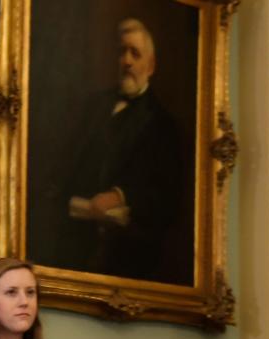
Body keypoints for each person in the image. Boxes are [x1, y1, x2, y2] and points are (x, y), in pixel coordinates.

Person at [38, 18, 187, 282]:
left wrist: (120, 195)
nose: (127, 61)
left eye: (135, 53)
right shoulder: (92, 106)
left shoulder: (163, 125)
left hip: (127, 256)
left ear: (150, 66)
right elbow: (62, 167)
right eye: (122, 52)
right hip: (73, 245)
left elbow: (166, 196)